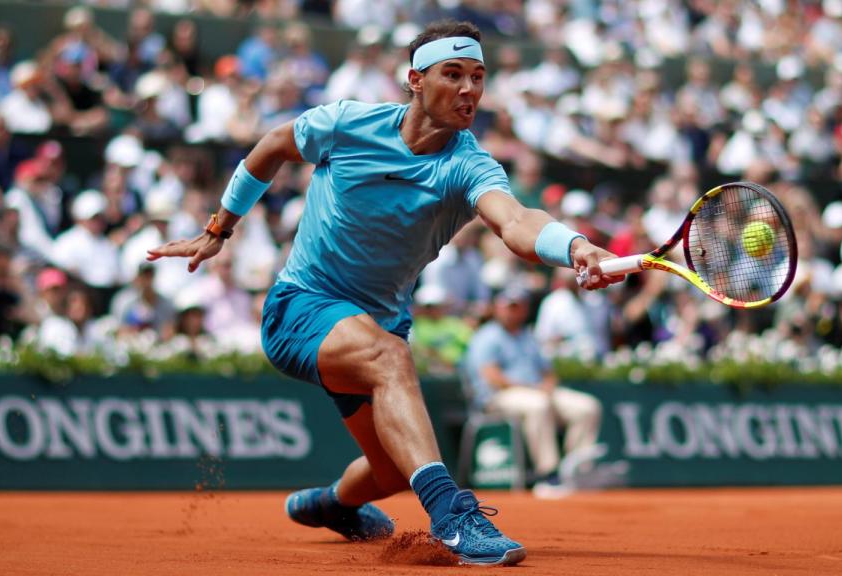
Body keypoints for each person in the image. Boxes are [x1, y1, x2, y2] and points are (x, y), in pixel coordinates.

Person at [148, 20, 623, 566]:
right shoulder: (347, 124)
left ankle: (332, 506)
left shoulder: (466, 165)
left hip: (374, 329)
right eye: (454, 74)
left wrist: (576, 245)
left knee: (395, 469)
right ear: (415, 80)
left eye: (478, 77)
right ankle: (452, 514)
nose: (469, 89)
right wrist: (218, 230)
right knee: (390, 356)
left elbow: (516, 221)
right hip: (301, 307)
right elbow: (273, 144)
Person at [466, 286, 603, 491]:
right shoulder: (487, 336)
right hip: (498, 397)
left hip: (535, 392)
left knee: (587, 407)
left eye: (518, 306)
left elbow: (547, 372)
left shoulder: (528, 336)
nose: (513, 311)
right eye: (509, 306)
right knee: (538, 405)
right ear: (497, 308)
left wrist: (547, 386)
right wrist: (533, 388)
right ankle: (548, 474)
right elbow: (492, 377)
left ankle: (576, 471)